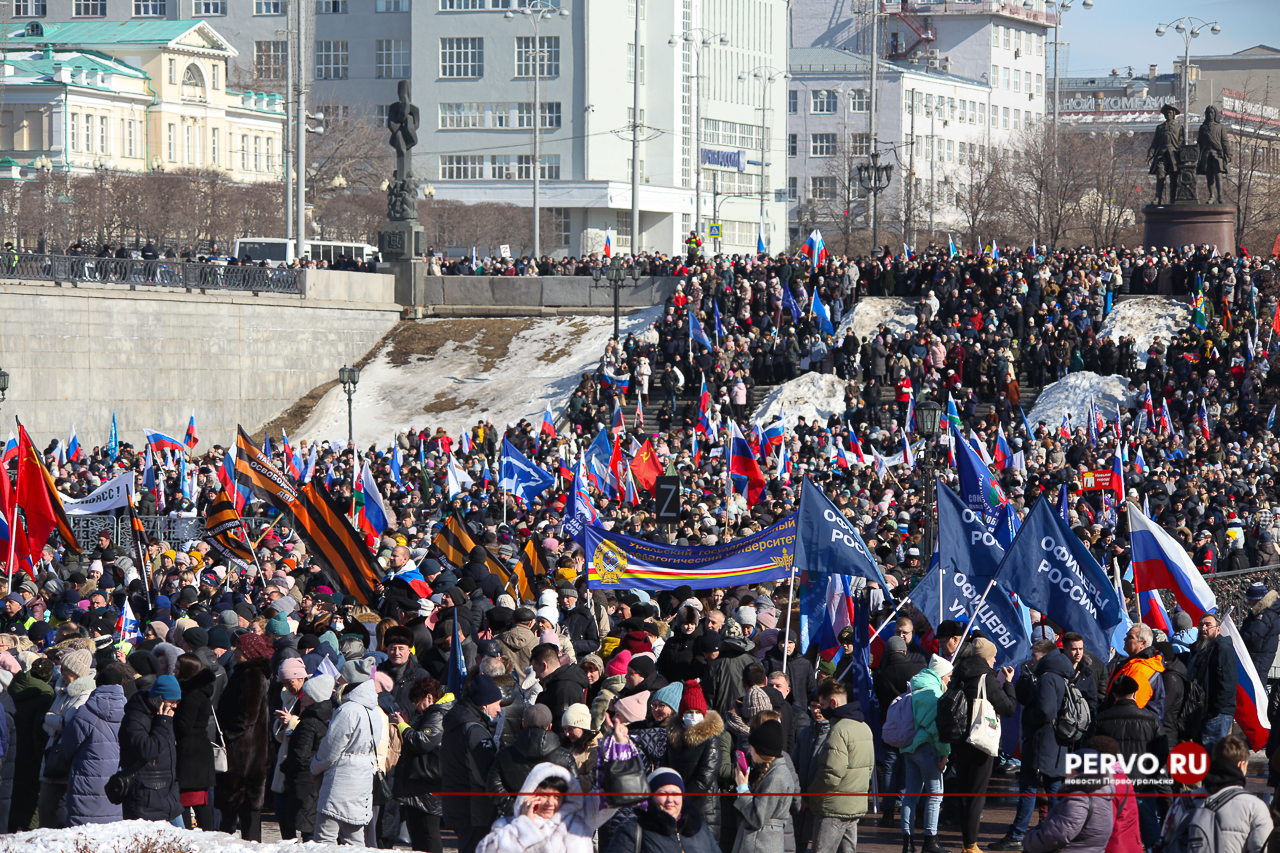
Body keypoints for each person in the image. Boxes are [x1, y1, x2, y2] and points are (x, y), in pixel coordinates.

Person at [948, 640, 1018, 853]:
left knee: (964, 792)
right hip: (980, 741)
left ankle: (966, 841)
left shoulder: (958, 673)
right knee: (976, 794)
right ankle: (970, 846)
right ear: (985, 657)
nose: (995, 660)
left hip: (959, 740)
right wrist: (1008, 683)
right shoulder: (986, 678)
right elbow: (1008, 708)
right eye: (993, 656)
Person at [311, 663, 384, 845]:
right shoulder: (374, 710)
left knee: (325, 838)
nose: (337, 680)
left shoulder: (348, 710)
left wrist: (315, 766)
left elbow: (330, 748)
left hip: (341, 778)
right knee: (355, 839)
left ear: (350, 681)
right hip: (363, 778)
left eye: (341, 676)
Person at [1161, 736, 1271, 853]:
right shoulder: (1255, 807)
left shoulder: (1182, 802)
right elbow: (1262, 848)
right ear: (1242, 765)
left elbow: (1165, 844)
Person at [475, 762, 615, 853]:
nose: (550, 803)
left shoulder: (580, 819)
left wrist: (619, 748)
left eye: (557, 797)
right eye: (544, 795)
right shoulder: (508, 825)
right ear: (530, 793)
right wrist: (524, 825)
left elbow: (612, 795)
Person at [1095, 674, 1167, 850]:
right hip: (1143, 782)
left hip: (1112, 783)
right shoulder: (1151, 720)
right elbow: (1162, 752)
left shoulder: (1101, 719)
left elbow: (1090, 750)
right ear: (1135, 694)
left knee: (1112, 826)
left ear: (1114, 695)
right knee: (1149, 825)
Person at [216, 631, 274, 840]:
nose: (235, 651)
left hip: (244, 752)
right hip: (250, 749)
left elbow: (248, 714)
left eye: (239, 648)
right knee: (243, 805)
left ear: (248, 652)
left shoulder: (250, 674)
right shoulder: (245, 672)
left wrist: (228, 734)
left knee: (240, 804)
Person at [809, 678, 875, 853]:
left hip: (833, 806)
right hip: (854, 804)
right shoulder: (864, 727)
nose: (820, 709)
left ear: (833, 702)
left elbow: (830, 774)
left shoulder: (838, 730)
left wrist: (811, 794)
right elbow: (869, 768)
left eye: (822, 705)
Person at [442, 673, 503, 853]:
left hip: (459, 804)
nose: (499, 709)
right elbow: (485, 772)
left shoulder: (458, 724)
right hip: (473, 808)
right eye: (497, 703)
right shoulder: (474, 729)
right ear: (484, 704)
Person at [662, 679, 728, 844]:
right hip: (676, 809)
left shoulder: (710, 740)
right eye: (689, 711)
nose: (693, 715)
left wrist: (680, 798)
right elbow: (666, 769)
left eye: (697, 711)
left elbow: (705, 777)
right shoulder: (673, 739)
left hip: (704, 811)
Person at [58, 667, 125, 826]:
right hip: (117, 778)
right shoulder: (128, 710)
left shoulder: (87, 711)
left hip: (87, 776)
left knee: (83, 831)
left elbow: (68, 744)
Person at [392, 675, 450, 853]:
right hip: (422, 785)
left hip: (427, 787)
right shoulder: (432, 715)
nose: (417, 707)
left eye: (418, 702)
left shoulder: (438, 715)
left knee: (428, 833)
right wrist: (409, 724)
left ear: (429, 698)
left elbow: (422, 742)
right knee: (419, 834)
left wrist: (403, 726)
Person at [39, 647, 95, 829]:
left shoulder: (86, 694)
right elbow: (51, 722)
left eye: (65, 668)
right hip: (52, 751)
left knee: (59, 806)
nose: (61, 671)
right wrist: (53, 721)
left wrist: (50, 719)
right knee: (46, 804)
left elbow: (68, 723)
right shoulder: (62, 690)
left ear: (77, 672)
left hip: (68, 755)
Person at [901, 655, 952, 853]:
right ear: (940, 675)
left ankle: (908, 843)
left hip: (908, 746)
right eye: (948, 676)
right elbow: (937, 729)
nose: (949, 680)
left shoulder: (915, 687)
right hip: (927, 747)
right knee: (935, 795)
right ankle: (930, 841)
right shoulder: (934, 693)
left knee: (910, 797)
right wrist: (945, 754)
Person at [488, 704, 577, 817]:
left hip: (516, 822)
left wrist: (517, 808)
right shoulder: (566, 757)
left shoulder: (504, 755)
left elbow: (493, 786)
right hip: (552, 823)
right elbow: (574, 791)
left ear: (523, 724)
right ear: (550, 726)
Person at [604, 767, 720, 853]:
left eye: (675, 794)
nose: (670, 799)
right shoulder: (633, 831)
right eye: (663, 793)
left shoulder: (701, 830)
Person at [118, 673, 181, 825]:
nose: (175, 706)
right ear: (157, 698)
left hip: (168, 797)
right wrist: (163, 723)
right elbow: (147, 750)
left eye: (177, 702)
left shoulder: (162, 716)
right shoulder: (135, 718)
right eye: (171, 702)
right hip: (146, 798)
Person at [1023, 748, 1114, 853]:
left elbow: (1057, 834)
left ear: (1080, 771)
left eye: (1070, 767)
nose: (1066, 773)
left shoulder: (1079, 799)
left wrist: (1029, 840)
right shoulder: (1103, 794)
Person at [281, 674, 336, 842]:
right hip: (319, 778)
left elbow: (300, 755)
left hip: (304, 780)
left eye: (306, 694)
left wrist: (285, 766)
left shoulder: (309, 722)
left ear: (315, 697)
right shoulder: (328, 715)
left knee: (307, 830)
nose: (302, 696)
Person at [730, 718, 797, 853]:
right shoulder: (772, 772)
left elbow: (758, 818)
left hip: (762, 844)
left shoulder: (777, 776)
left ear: (762, 750)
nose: (749, 751)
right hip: (761, 843)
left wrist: (743, 789)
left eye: (752, 747)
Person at [173, 654, 216, 831]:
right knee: (199, 800)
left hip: (191, 754)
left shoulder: (191, 694)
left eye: (177, 667)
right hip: (198, 752)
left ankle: (190, 838)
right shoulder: (200, 692)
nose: (174, 670)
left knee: (189, 800)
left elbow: (184, 726)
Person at [1187, 612, 1237, 753]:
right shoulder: (1202, 649)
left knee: (1212, 758)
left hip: (1216, 715)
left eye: (1208, 625)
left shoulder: (1222, 649)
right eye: (1201, 625)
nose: (1203, 628)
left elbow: (1227, 683)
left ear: (1218, 629)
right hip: (1202, 713)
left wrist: (1213, 711)